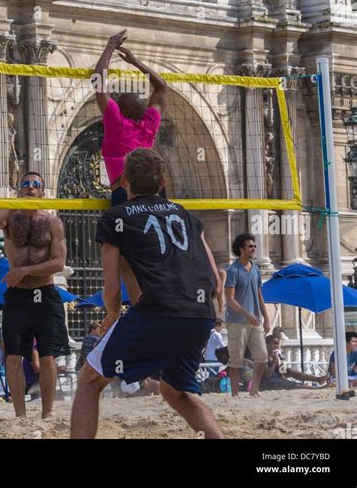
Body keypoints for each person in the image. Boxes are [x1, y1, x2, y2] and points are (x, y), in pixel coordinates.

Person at [70, 147, 224, 439]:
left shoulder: (115, 218)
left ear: (124, 180)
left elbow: (112, 288)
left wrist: (114, 315)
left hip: (159, 310)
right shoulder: (187, 216)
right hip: (201, 315)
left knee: (89, 380)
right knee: (175, 391)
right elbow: (215, 284)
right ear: (163, 181)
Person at [0, 171, 70, 419]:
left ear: (42, 191)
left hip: (45, 294)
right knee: (13, 357)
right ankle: (20, 415)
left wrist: (24, 270)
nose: (30, 188)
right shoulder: (11, 220)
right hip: (18, 296)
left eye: (35, 185)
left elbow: (59, 262)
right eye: (25, 184)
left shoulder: (52, 222)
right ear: (19, 189)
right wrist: (13, 205)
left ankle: (48, 412)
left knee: (47, 357)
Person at [94, 30, 167, 206]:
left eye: (118, 100)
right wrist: (135, 61)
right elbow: (161, 87)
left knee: (124, 232)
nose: (115, 100)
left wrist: (110, 46)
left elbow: (98, 79)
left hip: (125, 193)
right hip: (154, 193)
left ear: (124, 110)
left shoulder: (116, 120)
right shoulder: (149, 124)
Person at [225, 233, 270, 397]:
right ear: (241, 249)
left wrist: (267, 318)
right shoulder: (233, 270)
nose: (254, 248)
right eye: (250, 246)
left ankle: (254, 391)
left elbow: (259, 294)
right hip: (236, 321)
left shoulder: (256, 269)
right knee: (235, 361)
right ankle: (235, 394)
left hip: (254, 321)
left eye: (254, 246)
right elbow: (229, 299)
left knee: (262, 357)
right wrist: (247, 314)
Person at [261, 336, 329, 391]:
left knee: (290, 372)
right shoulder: (264, 356)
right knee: (293, 384)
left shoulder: (275, 356)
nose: (276, 346)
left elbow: (284, 372)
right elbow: (267, 375)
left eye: (277, 344)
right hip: (268, 382)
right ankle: (316, 388)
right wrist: (274, 362)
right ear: (267, 345)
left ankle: (318, 379)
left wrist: (280, 361)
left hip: (278, 377)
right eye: (274, 344)